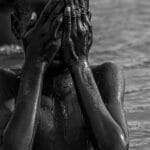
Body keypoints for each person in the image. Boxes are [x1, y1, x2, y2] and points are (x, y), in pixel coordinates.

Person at [0, 0, 129, 149]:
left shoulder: (105, 77)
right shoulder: (5, 85)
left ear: (86, 25)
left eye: (67, 24)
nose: (55, 37)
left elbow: (117, 147)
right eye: (43, 28)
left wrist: (79, 64)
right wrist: (35, 65)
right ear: (16, 26)